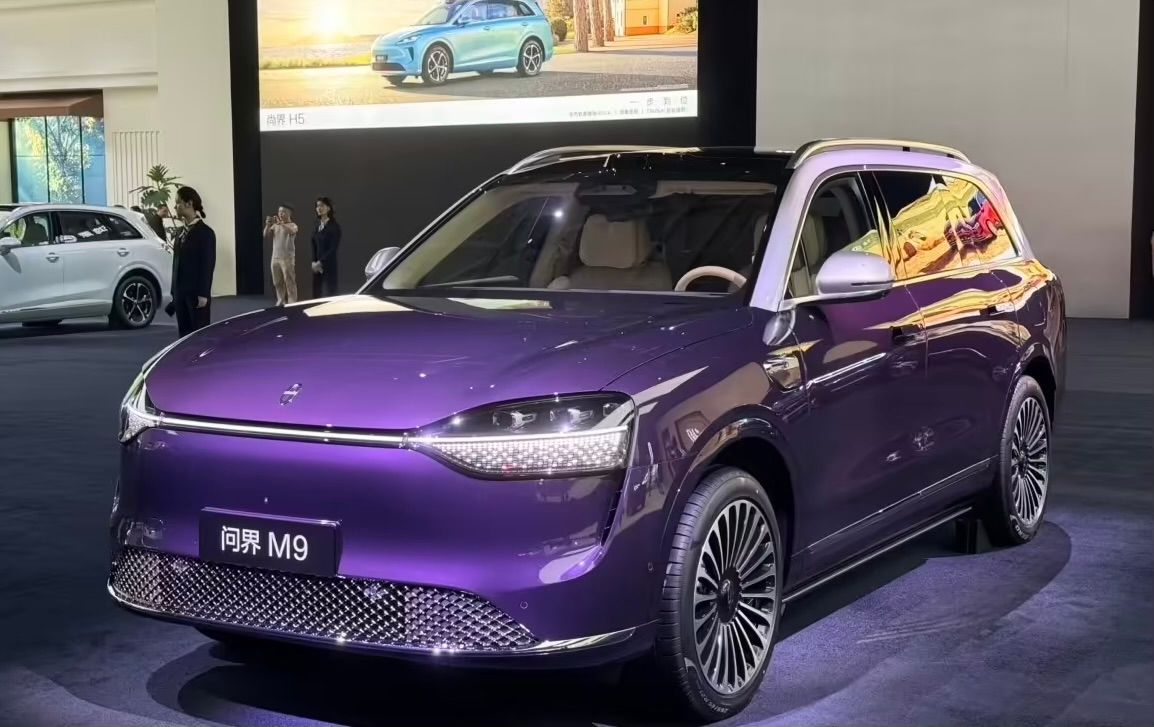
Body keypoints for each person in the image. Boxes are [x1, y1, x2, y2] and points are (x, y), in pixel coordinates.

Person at [167, 186, 216, 337]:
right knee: (183, 334)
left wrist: (203, 293)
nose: (175, 207)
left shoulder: (206, 233)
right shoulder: (180, 232)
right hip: (180, 292)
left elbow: (207, 265)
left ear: (189, 203)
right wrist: (174, 291)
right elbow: (177, 263)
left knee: (198, 334)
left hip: (196, 293)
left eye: (178, 203)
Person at [265, 204, 299, 305]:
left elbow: (291, 231)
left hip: (287, 258)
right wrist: (267, 225)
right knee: (277, 282)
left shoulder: (293, 225)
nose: (280, 214)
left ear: (289, 213)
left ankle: (292, 302)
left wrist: (282, 224)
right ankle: (281, 300)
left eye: (283, 212)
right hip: (275, 257)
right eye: (279, 211)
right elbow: (265, 235)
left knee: (289, 281)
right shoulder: (275, 226)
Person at [311, 196, 341, 298]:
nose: (319, 208)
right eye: (317, 206)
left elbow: (333, 248)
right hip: (317, 266)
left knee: (331, 293)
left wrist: (320, 262)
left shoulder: (334, 227)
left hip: (329, 264)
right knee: (316, 293)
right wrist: (313, 262)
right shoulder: (316, 226)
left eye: (322, 206)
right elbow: (313, 245)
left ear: (328, 208)